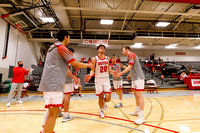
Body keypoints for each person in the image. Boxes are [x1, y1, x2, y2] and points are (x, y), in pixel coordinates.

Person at [38, 30, 93, 133]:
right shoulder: (61, 47)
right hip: (54, 83)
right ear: (66, 37)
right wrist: (88, 65)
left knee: (51, 110)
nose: (69, 40)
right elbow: (75, 64)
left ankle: (43, 130)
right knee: (53, 113)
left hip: (49, 82)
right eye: (69, 38)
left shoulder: (52, 47)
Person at [115, 46, 145, 125]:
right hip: (134, 77)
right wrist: (129, 74)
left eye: (123, 50)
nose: (122, 52)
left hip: (138, 77)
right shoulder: (130, 56)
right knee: (135, 94)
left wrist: (120, 73)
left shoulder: (132, 55)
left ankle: (141, 116)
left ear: (127, 50)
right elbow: (132, 68)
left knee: (139, 95)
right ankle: (137, 110)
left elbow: (129, 67)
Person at [84, 44, 115, 118]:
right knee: (100, 97)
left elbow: (108, 69)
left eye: (104, 48)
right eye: (101, 48)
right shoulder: (94, 59)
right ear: (98, 50)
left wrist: (114, 72)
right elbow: (92, 69)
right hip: (98, 79)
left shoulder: (107, 58)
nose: (102, 49)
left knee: (108, 98)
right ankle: (101, 110)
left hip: (106, 79)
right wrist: (90, 75)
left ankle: (104, 102)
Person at [61, 47, 78, 122]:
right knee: (68, 96)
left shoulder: (63, 59)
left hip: (63, 80)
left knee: (65, 96)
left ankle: (59, 111)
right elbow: (67, 71)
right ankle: (66, 115)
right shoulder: (66, 60)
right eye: (72, 53)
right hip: (67, 80)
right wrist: (73, 77)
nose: (72, 54)